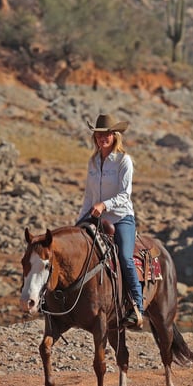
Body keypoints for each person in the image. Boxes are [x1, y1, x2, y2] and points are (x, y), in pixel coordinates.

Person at [76, 113, 144, 330]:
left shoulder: (124, 161)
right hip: (96, 217)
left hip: (121, 217)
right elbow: (89, 196)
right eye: (98, 134)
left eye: (106, 134)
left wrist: (104, 205)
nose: (102, 138)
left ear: (115, 136)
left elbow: (125, 195)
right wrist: (78, 223)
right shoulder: (93, 161)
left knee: (124, 257)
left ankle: (137, 307)